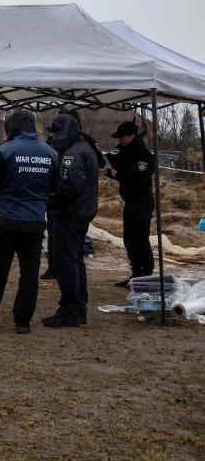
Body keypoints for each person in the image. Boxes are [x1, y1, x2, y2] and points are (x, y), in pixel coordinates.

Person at [0, 110, 58, 334]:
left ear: (11, 128)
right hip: (35, 221)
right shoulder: (51, 153)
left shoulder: (4, 151)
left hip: (6, 219)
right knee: (29, 273)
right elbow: (54, 188)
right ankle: (23, 321)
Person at [41, 114, 99, 328]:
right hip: (78, 212)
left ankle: (71, 309)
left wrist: (49, 201)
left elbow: (69, 188)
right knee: (75, 260)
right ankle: (77, 307)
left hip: (69, 214)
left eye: (54, 133)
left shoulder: (72, 155)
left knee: (66, 263)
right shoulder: (83, 147)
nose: (52, 137)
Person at [105, 120, 155, 287]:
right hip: (130, 202)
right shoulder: (123, 150)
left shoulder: (144, 156)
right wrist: (107, 170)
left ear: (132, 136)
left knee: (141, 239)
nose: (119, 141)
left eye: (122, 138)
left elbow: (139, 180)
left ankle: (146, 276)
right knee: (129, 239)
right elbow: (111, 159)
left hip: (142, 202)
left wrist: (117, 174)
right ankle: (136, 274)